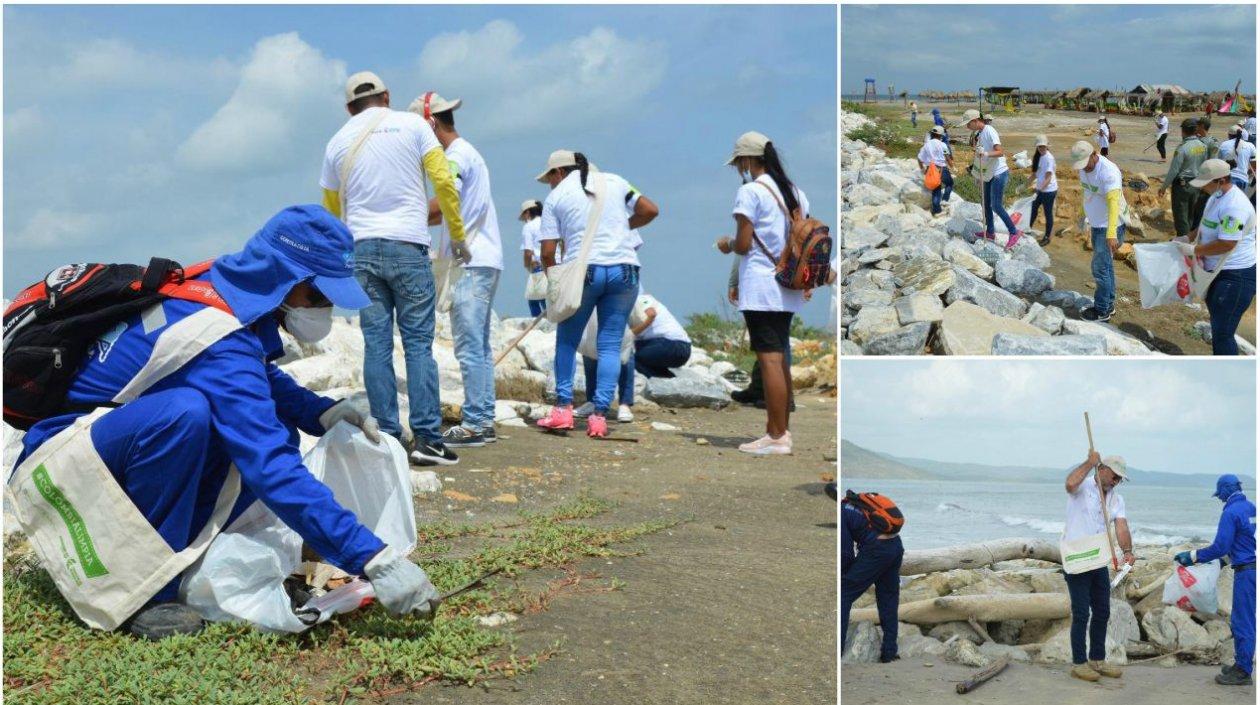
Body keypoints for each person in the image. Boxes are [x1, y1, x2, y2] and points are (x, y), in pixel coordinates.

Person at [13, 206, 440, 639]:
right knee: (186, 416)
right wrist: (372, 559)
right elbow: (268, 461)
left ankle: (186, 550)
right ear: (287, 280)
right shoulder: (219, 336)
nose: (326, 310)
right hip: (63, 463)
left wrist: (318, 410)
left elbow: (247, 371)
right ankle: (147, 592)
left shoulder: (220, 284)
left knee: (257, 425)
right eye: (319, 297)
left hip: (107, 445)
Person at [320, 71, 465, 467]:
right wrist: (458, 235)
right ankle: (428, 440)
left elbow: (331, 211)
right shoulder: (414, 125)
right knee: (419, 345)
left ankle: (387, 436)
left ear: (349, 107)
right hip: (408, 245)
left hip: (361, 252)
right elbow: (444, 184)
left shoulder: (336, 142)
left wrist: (340, 256)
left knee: (377, 344)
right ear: (387, 96)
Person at [534, 150, 659, 438]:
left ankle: (563, 410)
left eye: (549, 178)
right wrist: (622, 228)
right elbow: (650, 210)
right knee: (610, 345)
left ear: (559, 173)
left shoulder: (557, 197)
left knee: (567, 340)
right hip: (625, 270)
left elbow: (548, 252)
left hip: (585, 270)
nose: (549, 185)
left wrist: (555, 285)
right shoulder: (614, 181)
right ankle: (600, 417)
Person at [416, 93, 504, 449]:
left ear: (431, 124)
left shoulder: (455, 157)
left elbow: (446, 197)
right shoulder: (469, 154)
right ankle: (482, 417)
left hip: (471, 261)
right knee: (478, 347)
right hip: (484, 259)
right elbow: (445, 209)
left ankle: (476, 423)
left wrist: (403, 212)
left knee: (469, 347)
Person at [716, 131, 809, 455]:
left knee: (768, 358)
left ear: (747, 160)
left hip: (760, 283)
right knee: (779, 355)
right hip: (788, 283)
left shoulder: (751, 192)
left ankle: (776, 435)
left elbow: (743, 244)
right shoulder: (795, 192)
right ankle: (781, 431)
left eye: (739, 162)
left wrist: (726, 244)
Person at [1174, 474, 1256, 686]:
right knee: (1247, 619)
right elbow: (1244, 542)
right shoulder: (1251, 508)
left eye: (1220, 495)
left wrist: (1192, 557)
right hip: (1252, 567)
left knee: (1242, 621)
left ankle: (1244, 671)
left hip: (1246, 573)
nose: (1220, 499)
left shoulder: (1230, 512)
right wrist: (1223, 561)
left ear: (1227, 491)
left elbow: (1220, 546)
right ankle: (1242, 665)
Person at [1062, 451, 1134, 683]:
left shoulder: (1116, 499)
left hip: (1098, 560)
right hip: (1077, 557)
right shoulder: (1082, 487)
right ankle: (1079, 663)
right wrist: (1088, 462)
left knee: (1102, 611)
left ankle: (1097, 659)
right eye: (1115, 476)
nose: (1117, 481)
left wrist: (1128, 551)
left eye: (1120, 479)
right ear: (1102, 469)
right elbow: (1069, 484)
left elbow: (1121, 527)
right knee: (1082, 613)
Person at [1176, 160, 1257, 355]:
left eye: (1206, 182)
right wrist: (1189, 236)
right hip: (1216, 272)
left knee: (1223, 333)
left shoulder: (1235, 206)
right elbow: (1206, 223)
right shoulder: (1216, 196)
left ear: (1221, 180)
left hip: (1235, 277)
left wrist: (1193, 251)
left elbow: (1227, 244)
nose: (1203, 187)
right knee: (1218, 324)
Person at [840, 492, 904, 663]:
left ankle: (837, 650)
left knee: (843, 595)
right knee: (888, 598)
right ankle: (889, 652)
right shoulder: (860, 503)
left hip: (877, 550)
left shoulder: (842, 511)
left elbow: (845, 552)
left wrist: (845, 575)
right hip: (896, 546)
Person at [1072, 141, 1129, 322]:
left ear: (1094, 154)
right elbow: (1087, 193)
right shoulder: (1084, 168)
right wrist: (1082, 215)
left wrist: (1111, 234)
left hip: (1111, 225)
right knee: (1106, 266)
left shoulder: (1109, 172)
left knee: (1100, 268)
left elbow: (1113, 205)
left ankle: (1102, 310)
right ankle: (1109, 304)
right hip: (1098, 224)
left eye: (1086, 164)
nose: (1084, 169)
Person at [957, 109, 1023, 248]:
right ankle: (991, 232)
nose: (967, 127)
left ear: (975, 121)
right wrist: (978, 175)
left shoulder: (990, 131)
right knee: (985, 204)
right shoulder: (980, 134)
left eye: (968, 124)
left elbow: (1000, 152)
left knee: (996, 205)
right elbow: (980, 157)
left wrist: (985, 153)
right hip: (988, 174)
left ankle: (1013, 232)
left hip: (999, 173)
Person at [1159, 119, 1210, 239]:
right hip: (1197, 184)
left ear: (1183, 131)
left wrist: (1163, 187)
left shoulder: (1182, 148)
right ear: (1195, 130)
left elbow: (1174, 171)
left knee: (1181, 217)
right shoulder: (1203, 146)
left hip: (1182, 187)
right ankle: (1190, 241)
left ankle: (1183, 243)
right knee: (1191, 215)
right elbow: (1205, 165)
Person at [519, 199, 548, 317]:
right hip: (555, 264)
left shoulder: (529, 227)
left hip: (539, 266)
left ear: (527, 213)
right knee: (548, 298)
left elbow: (528, 252)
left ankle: (538, 326)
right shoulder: (548, 222)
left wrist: (527, 266)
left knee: (534, 298)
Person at [917, 125, 954, 216]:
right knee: (949, 183)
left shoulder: (926, 145)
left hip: (931, 169)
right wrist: (952, 166)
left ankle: (936, 210)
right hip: (942, 168)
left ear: (932, 134)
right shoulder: (943, 145)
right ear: (941, 135)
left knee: (936, 189)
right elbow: (947, 157)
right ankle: (945, 200)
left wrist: (923, 169)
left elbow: (919, 158)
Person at [1029, 134, 1059, 247]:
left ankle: (1047, 237)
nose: (1041, 148)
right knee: (1033, 209)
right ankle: (1027, 229)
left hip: (1049, 191)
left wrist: (1038, 190)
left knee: (1048, 213)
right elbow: (1035, 174)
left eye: (1043, 146)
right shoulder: (1038, 157)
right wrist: (1024, 185)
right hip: (1040, 189)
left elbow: (1048, 178)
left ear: (1047, 146)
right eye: (1039, 146)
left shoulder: (1049, 158)